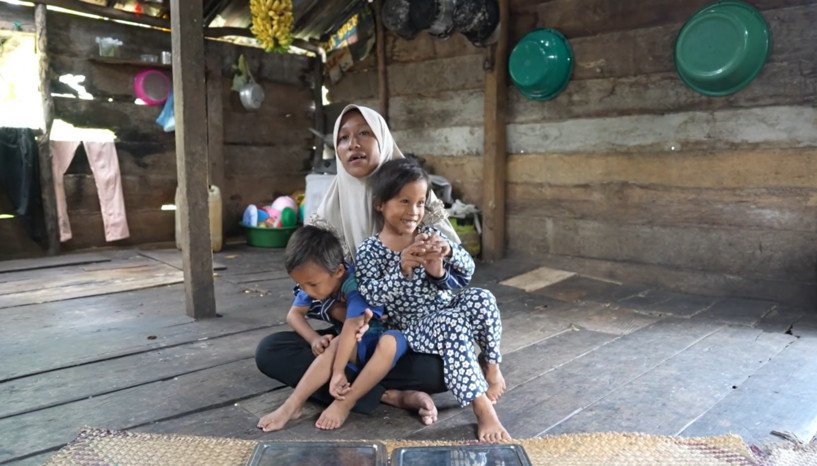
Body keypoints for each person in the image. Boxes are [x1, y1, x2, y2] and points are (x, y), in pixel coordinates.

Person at [256, 104, 457, 425]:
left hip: (414, 334)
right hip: (355, 331)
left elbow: (456, 272)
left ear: (383, 140)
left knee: (443, 370)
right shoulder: (329, 210)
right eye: (343, 138)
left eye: (365, 133)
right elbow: (309, 285)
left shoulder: (416, 197)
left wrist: (431, 263)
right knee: (271, 351)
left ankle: (360, 387)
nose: (353, 144)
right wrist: (341, 312)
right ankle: (388, 395)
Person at [355, 158, 510, 442]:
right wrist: (401, 269)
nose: (413, 211)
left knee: (482, 298)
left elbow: (466, 274)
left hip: (446, 309)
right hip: (411, 327)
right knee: (451, 322)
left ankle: (491, 365)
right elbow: (370, 296)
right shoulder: (370, 250)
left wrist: (446, 255)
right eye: (404, 201)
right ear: (380, 204)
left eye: (420, 202)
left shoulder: (430, 236)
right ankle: (482, 408)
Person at [257, 226, 409, 432]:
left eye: (312, 285)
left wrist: (337, 371)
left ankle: (315, 403)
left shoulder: (354, 284)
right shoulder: (312, 279)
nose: (306, 291)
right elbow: (293, 314)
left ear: (338, 271)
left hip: (378, 349)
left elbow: (351, 326)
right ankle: (385, 395)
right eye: (301, 285)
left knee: (337, 342)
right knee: (269, 349)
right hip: (350, 352)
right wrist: (313, 339)